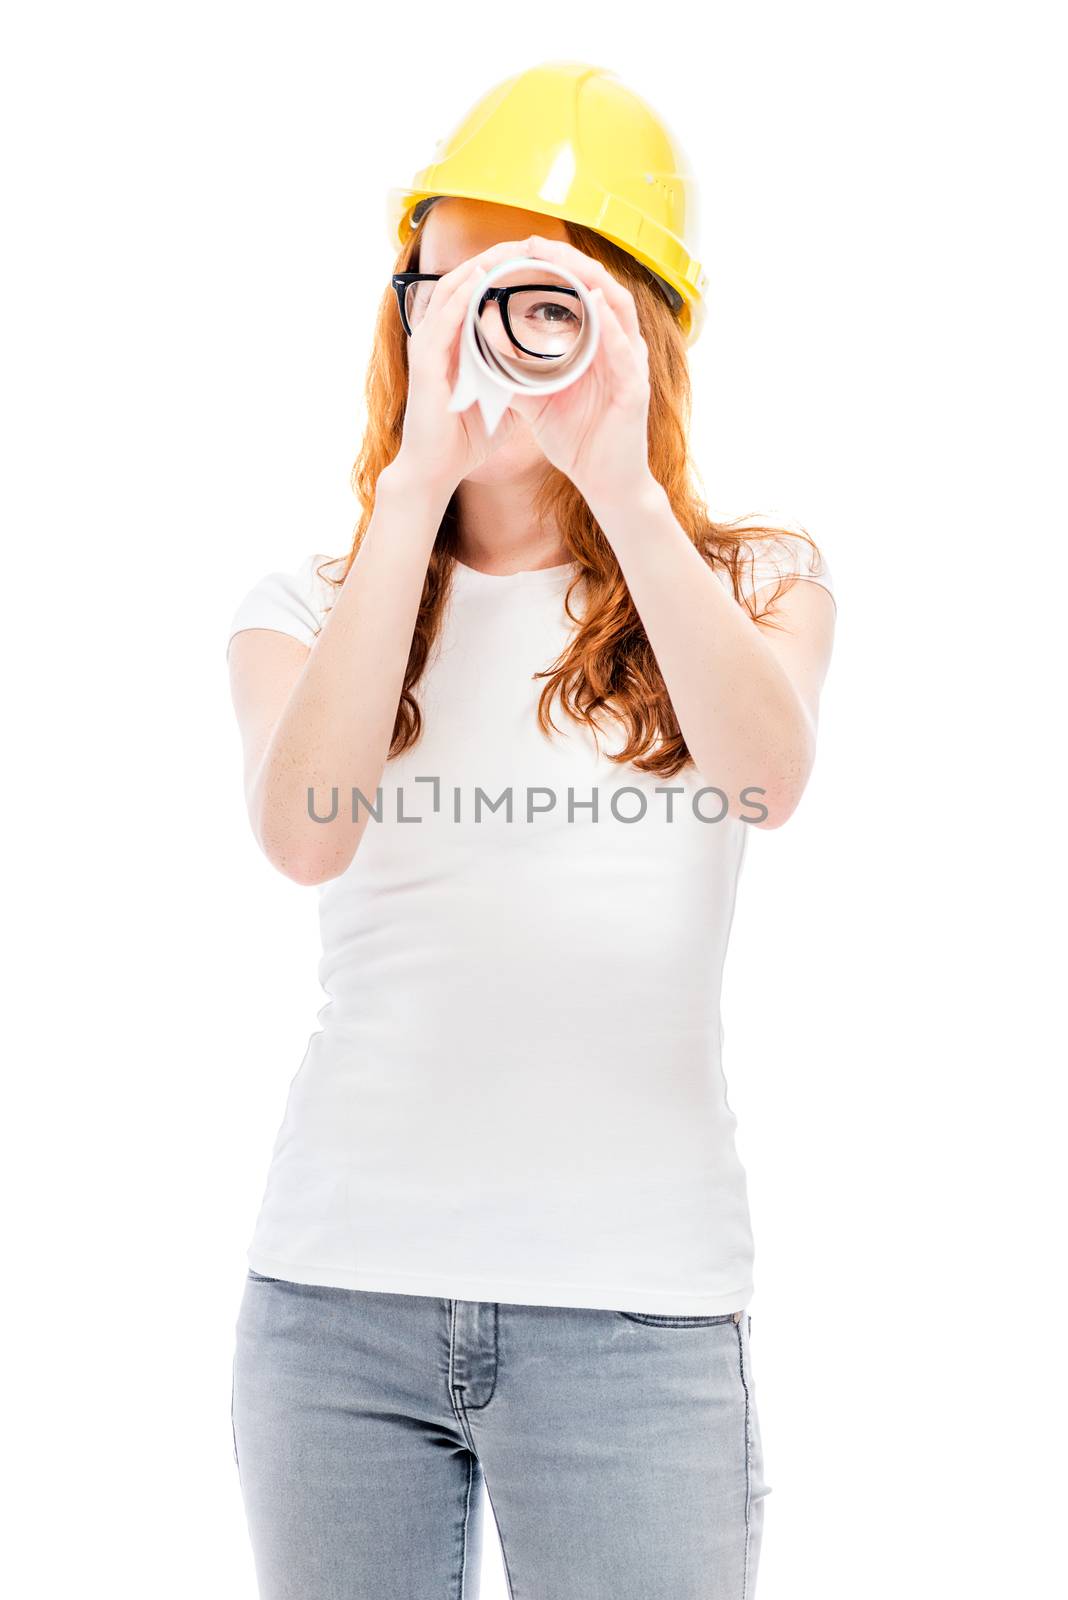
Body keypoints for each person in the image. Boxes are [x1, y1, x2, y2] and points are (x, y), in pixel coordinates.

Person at [226, 60, 836, 1600]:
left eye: (549, 297)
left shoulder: (757, 585)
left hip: (638, 1316)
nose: (501, 339)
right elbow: (304, 833)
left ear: (638, 328)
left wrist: (619, 483)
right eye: (463, 291)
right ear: (406, 311)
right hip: (335, 1308)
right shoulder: (310, 607)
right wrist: (420, 473)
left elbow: (769, 778)